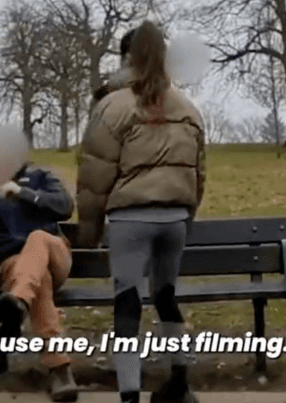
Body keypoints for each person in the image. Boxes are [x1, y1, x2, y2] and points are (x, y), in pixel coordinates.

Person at [76, 21, 206, 403]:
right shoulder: (188, 107)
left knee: (127, 304)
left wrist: (90, 231)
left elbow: (94, 179)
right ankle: (179, 385)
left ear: (126, 59)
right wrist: (186, 214)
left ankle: (130, 396)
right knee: (166, 298)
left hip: (130, 220)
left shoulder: (112, 106)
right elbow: (199, 173)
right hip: (176, 220)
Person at [0, 125, 78, 402]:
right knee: (38, 282)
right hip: (13, 267)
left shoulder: (40, 177)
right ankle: (60, 370)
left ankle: (16, 304)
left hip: (54, 254)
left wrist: (23, 194)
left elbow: (65, 206)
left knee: (38, 239)